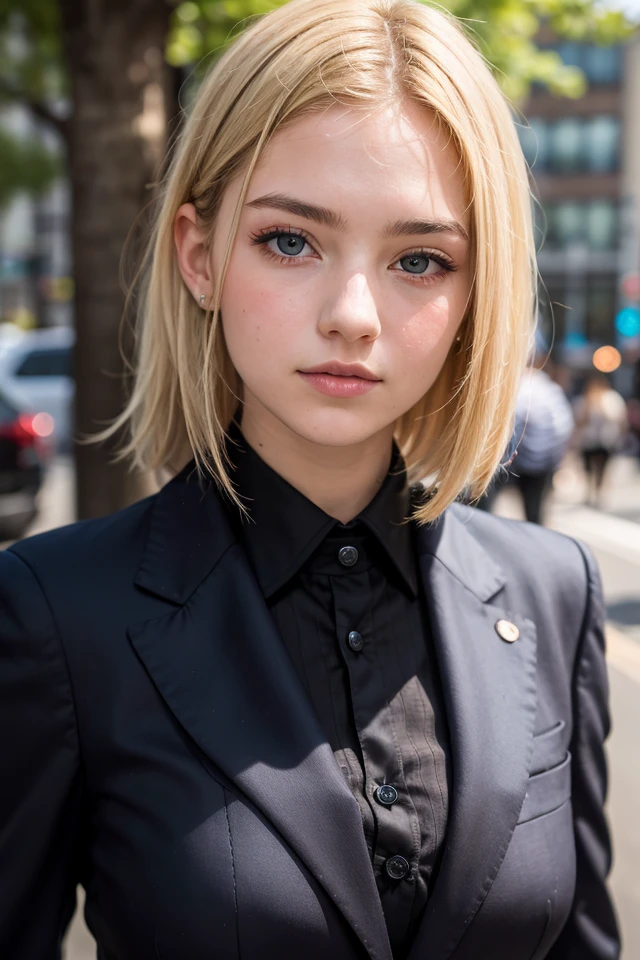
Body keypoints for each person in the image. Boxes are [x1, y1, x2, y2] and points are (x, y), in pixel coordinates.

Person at [0, 2, 619, 958]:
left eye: (420, 259)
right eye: (291, 241)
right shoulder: (57, 616)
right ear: (199, 255)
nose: (353, 314)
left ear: (472, 291)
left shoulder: (554, 592)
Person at [508, 348, 575, 524]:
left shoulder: (519, 387)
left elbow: (511, 422)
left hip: (521, 458)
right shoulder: (549, 388)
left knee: (523, 502)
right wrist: (557, 454)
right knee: (537, 505)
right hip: (546, 458)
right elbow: (564, 424)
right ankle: (536, 533)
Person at [573, 374, 628, 508]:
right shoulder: (585, 399)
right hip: (588, 440)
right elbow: (578, 420)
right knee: (588, 468)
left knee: (602, 469)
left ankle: (598, 492)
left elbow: (619, 418)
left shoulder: (611, 398)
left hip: (605, 440)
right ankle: (590, 491)